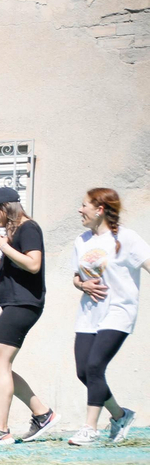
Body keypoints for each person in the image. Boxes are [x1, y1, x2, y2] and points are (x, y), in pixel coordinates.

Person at [0, 187, 54, 445]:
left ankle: (0, 429)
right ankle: (43, 414)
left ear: (5, 208)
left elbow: (33, 263)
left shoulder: (29, 228)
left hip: (23, 304)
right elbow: (19, 265)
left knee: (1, 364)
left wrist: (4, 247)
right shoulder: (16, 232)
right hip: (14, 304)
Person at [70, 187, 147, 445]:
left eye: (84, 205)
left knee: (95, 366)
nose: (80, 210)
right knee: (84, 371)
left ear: (99, 209)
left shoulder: (127, 238)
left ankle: (90, 428)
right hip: (89, 313)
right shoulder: (81, 241)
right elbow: (76, 276)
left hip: (119, 311)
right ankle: (120, 415)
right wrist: (82, 285)